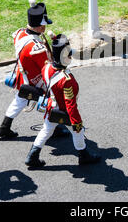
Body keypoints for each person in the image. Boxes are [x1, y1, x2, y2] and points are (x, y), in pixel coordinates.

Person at [0, 0, 69, 139]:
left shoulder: (20, 34)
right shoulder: (37, 48)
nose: (45, 28)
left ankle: (4, 127)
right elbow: (47, 69)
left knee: (19, 101)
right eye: (44, 25)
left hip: (22, 75)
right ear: (40, 26)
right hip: (34, 79)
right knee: (53, 99)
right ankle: (55, 128)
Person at [25, 34, 101, 167]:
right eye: (69, 55)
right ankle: (84, 155)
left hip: (50, 107)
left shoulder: (46, 68)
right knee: (78, 131)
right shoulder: (67, 80)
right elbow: (70, 105)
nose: (71, 57)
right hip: (62, 110)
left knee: (46, 130)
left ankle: (32, 155)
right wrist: (77, 122)